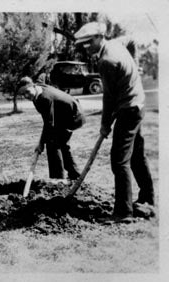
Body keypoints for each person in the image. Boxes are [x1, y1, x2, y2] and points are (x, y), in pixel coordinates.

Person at [74, 22, 155, 223]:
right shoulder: (117, 43)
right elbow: (131, 40)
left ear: (100, 37)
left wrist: (104, 125)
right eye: (83, 44)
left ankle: (123, 213)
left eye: (89, 42)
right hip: (138, 104)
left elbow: (108, 99)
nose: (87, 47)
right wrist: (135, 64)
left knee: (119, 161)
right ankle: (148, 199)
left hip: (128, 110)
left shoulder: (106, 61)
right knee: (136, 155)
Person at [18, 77, 85, 181]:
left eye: (27, 92)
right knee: (61, 144)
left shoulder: (45, 98)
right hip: (63, 116)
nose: (26, 96)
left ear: (34, 86)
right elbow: (47, 121)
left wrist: (41, 143)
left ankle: (58, 179)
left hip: (73, 116)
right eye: (23, 94)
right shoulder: (38, 91)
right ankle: (75, 175)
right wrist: (41, 142)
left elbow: (49, 124)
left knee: (53, 142)